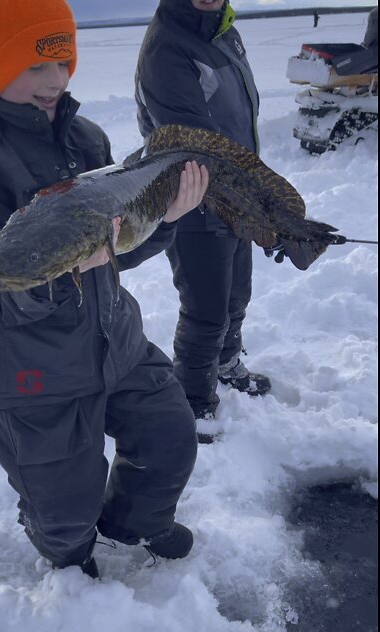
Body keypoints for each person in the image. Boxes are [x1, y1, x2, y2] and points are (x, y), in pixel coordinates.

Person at [0, 0, 211, 580]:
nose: (54, 80)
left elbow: (121, 251)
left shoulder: (86, 139)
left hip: (117, 341)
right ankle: (70, 557)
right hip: (36, 372)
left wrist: (169, 216)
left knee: (169, 435)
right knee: (62, 498)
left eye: (62, 62)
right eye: (34, 66)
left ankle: (134, 522)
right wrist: (63, 269)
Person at [134, 0, 272, 444]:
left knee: (237, 292)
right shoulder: (168, 47)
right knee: (206, 307)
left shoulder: (222, 31)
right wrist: (267, 203)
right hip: (193, 196)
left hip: (237, 190)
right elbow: (196, 141)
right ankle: (194, 401)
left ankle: (227, 362)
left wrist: (253, 198)